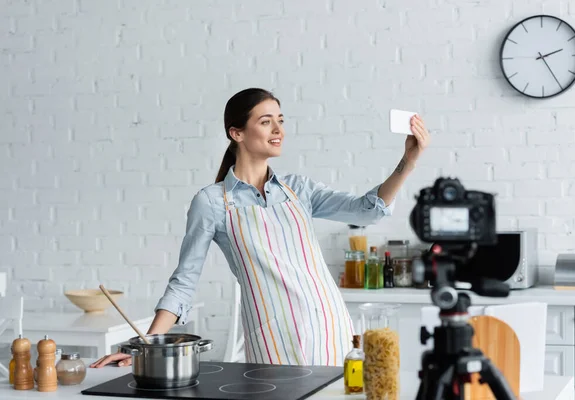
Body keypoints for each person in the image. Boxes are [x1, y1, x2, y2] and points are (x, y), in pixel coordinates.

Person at [91, 88, 430, 368]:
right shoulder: (212, 203)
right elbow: (183, 284)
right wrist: (145, 347)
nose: (278, 130)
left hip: (331, 328)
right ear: (236, 133)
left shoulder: (299, 189)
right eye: (266, 122)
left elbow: (368, 210)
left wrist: (408, 163)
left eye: (280, 121)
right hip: (273, 339)